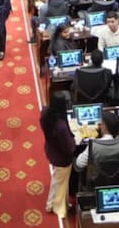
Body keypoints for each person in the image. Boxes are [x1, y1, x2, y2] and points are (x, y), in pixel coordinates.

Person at [40, 91, 75, 219]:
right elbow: (69, 148)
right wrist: (75, 139)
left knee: (57, 179)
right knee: (61, 183)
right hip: (62, 158)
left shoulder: (45, 113)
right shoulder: (61, 127)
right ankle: (58, 207)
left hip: (51, 150)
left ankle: (51, 204)